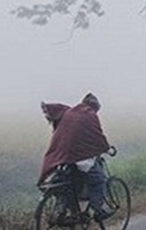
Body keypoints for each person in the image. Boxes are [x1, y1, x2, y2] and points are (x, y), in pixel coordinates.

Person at [39, 93, 114, 221]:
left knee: (67, 183)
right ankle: (98, 211)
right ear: (94, 107)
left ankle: (67, 212)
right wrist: (106, 148)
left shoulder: (69, 112)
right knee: (99, 180)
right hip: (79, 156)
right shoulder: (90, 115)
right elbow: (97, 135)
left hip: (62, 156)